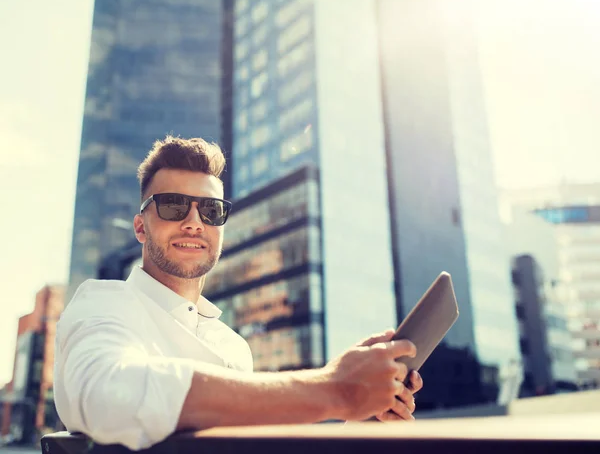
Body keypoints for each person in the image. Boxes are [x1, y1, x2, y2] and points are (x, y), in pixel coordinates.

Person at [54, 136, 423, 451]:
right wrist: (336, 388)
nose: (194, 222)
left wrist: (360, 415)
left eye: (211, 210)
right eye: (172, 205)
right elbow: (110, 397)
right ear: (140, 227)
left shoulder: (232, 345)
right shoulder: (104, 303)